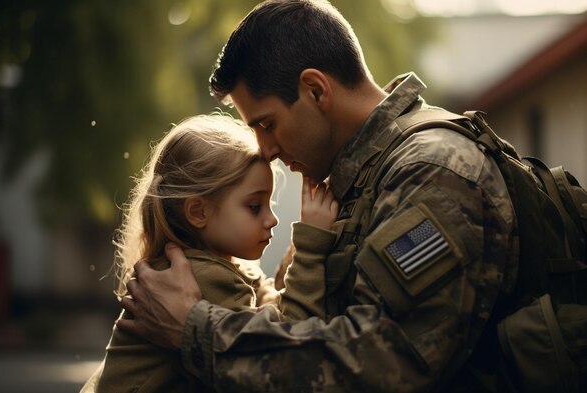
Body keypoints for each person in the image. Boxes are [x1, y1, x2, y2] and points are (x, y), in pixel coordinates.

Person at [118, 1, 518, 391]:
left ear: (315, 90)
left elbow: (386, 362)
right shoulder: (359, 182)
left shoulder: (432, 171)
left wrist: (194, 329)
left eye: (267, 124)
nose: (267, 150)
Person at [81, 113, 339, 392]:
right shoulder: (202, 277)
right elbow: (289, 338)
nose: (272, 219)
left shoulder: (196, 266)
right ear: (198, 212)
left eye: (270, 203)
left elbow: (261, 300)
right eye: (254, 206)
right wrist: (311, 246)